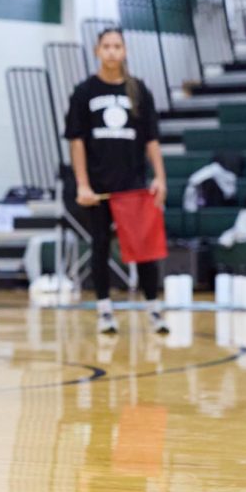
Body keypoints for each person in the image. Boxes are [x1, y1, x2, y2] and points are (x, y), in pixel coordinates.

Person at [64, 27, 169, 335]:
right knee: (99, 246)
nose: (112, 51)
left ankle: (153, 308)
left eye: (117, 46)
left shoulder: (138, 90)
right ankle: (104, 310)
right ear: (97, 51)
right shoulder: (85, 92)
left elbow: (151, 139)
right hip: (98, 187)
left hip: (134, 185)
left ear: (124, 51)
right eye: (106, 46)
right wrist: (82, 184)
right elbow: (76, 141)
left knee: (145, 248)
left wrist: (159, 178)